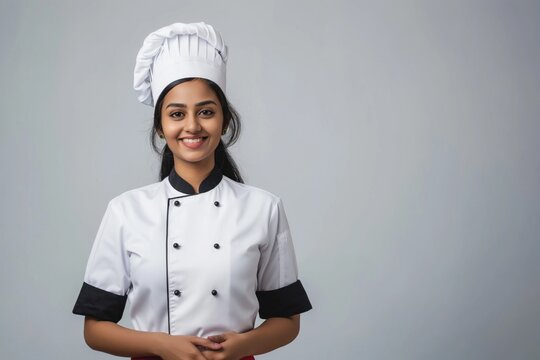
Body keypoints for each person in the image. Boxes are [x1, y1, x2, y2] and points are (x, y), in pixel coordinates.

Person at [72, 22, 312, 360]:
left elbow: (287, 319)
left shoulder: (264, 208)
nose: (192, 126)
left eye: (206, 112)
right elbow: (94, 329)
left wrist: (242, 345)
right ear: (160, 126)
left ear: (224, 120)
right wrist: (161, 345)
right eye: (176, 114)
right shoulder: (126, 211)